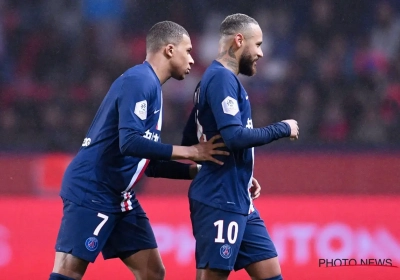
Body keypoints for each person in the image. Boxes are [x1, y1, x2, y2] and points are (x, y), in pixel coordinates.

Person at [50, 21, 229, 280]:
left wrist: (201, 171)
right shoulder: (139, 81)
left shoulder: (153, 88)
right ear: (169, 49)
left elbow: (149, 161)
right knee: (69, 270)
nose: (192, 59)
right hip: (93, 189)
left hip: (120, 196)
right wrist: (190, 151)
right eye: (188, 50)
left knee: (152, 271)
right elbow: (130, 143)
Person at [181, 14, 299, 280]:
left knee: (271, 274)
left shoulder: (212, 81)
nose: (260, 52)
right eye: (257, 45)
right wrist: (282, 128)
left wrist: (239, 171)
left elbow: (191, 137)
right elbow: (234, 137)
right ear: (239, 41)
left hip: (238, 196)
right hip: (219, 199)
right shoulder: (221, 79)